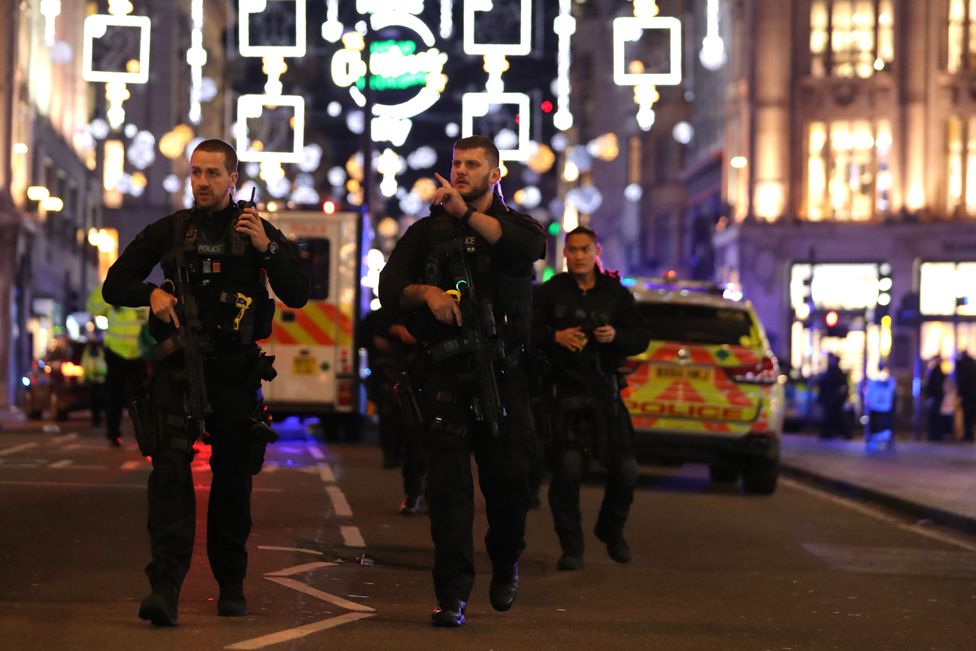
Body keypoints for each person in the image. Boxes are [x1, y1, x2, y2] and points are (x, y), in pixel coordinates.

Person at [102, 138, 309, 627]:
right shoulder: (172, 229)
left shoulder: (253, 230)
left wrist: (268, 247)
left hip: (235, 374)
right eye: (196, 172)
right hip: (179, 370)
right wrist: (151, 293)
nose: (202, 182)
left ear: (233, 178)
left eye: (213, 173)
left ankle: (231, 584)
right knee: (170, 478)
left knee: (232, 484)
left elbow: (299, 292)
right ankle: (165, 589)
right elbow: (115, 282)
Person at [377, 135, 545, 627]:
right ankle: (452, 595)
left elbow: (527, 248)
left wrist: (467, 216)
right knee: (449, 494)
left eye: (473, 165)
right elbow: (389, 286)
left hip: (504, 376)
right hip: (447, 376)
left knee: (509, 486)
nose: (462, 171)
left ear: (496, 174)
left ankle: (506, 558)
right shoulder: (427, 232)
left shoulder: (516, 226)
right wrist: (427, 292)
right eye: (456, 164)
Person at [531, 226, 649, 571]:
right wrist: (556, 336)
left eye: (585, 249)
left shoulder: (615, 293)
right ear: (565, 253)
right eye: (573, 250)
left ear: (597, 251)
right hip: (564, 394)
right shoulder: (551, 292)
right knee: (567, 472)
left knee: (626, 470)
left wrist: (616, 335)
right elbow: (524, 332)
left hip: (606, 395)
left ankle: (611, 530)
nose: (579, 256)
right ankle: (572, 547)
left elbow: (641, 336)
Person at [87, 284, 150, 446]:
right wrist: (106, 287)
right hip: (116, 354)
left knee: (140, 398)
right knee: (114, 397)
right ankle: (113, 433)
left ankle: (145, 434)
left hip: (137, 355)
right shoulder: (114, 293)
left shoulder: (142, 293)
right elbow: (92, 307)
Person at [816, 352, 850, 439]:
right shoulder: (829, 372)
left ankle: (840, 433)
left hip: (835, 400)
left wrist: (839, 398)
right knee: (830, 416)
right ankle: (829, 432)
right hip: (829, 399)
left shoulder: (838, 373)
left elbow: (843, 387)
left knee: (837, 416)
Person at [80, 330, 107, 427]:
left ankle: (102, 419)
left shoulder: (102, 349)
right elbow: (85, 364)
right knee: (94, 402)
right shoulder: (88, 351)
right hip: (92, 380)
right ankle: (96, 420)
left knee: (102, 401)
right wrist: (83, 379)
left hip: (102, 379)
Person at [954, 350, 976, 441]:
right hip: (973, 394)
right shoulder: (973, 364)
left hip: (968, 394)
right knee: (972, 415)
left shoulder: (966, 365)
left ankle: (968, 434)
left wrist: (959, 393)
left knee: (967, 415)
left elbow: (963, 380)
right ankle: (970, 433)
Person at [923, 356, 946, 441]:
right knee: (935, 416)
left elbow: (933, 385)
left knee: (934, 416)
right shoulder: (937, 371)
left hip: (935, 396)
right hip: (936, 396)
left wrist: (929, 394)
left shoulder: (935, 371)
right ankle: (935, 435)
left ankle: (934, 435)